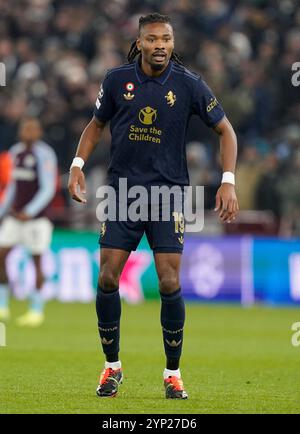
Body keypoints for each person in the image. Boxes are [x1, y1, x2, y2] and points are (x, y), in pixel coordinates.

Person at [68, 13, 239, 399]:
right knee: (107, 279)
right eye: (153, 39)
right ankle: (112, 368)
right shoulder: (116, 80)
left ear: (172, 43)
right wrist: (77, 165)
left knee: (169, 281)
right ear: (140, 42)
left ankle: (172, 374)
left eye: (166, 38)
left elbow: (226, 130)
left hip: (169, 195)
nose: (160, 45)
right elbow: (96, 125)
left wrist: (228, 181)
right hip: (122, 193)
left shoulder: (189, 84)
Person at [0, 117, 57, 326]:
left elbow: (48, 187)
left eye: (33, 129)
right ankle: (3, 305)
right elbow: (12, 186)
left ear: (39, 132)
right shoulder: (15, 152)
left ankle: (36, 309)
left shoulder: (44, 154)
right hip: (15, 217)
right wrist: (2, 210)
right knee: (1, 255)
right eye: (26, 129)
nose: (29, 132)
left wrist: (30, 211)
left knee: (36, 261)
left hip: (37, 220)